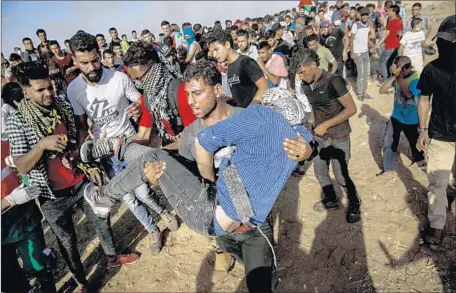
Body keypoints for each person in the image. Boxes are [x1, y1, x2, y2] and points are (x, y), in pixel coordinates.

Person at [81, 60, 313, 293]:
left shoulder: (248, 117)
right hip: (221, 222)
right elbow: (186, 180)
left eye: (198, 93)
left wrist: (305, 151)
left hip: (256, 229)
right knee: (229, 250)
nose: (191, 101)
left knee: (261, 283)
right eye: (188, 94)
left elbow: (293, 142)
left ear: (218, 90)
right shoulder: (191, 135)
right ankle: (226, 256)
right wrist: (156, 177)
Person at [6, 61, 140, 293]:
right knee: (67, 241)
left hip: (79, 180)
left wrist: (77, 154)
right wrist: (41, 146)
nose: (48, 93)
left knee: (101, 218)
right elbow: (22, 166)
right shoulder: (17, 121)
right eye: (40, 90)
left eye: (49, 87)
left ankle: (112, 256)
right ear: (26, 92)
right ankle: (82, 282)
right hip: (51, 195)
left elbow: (77, 134)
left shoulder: (62, 106)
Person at [67, 31, 176, 254]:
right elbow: (80, 126)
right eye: (84, 63)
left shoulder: (119, 78)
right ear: (74, 61)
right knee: (129, 198)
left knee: (143, 192)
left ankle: (163, 212)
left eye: (95, 60)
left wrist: (137, 109)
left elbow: (144, 103)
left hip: (130, 144)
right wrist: (87, 159)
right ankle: (153, 230)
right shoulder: (73, 89)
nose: (91, 67)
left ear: (100, 53)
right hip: (105, 154)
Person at [290, 48, 361, 223]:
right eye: (297, 74)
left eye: (302, 72)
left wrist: (326, 124)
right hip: (320, 138)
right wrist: (310, 123)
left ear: (313, 65)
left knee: (341, 176)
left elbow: (351, 109)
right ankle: (331, 199)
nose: (300, 77)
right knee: (320, 172)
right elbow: (315, 109)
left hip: (339, 137)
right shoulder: (306, 85)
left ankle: (354, 204)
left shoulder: (333, 81)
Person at [1, 84, 57, 293]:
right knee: (10, 282)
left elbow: (22, 163)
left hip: (24, 217)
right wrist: (10, 200)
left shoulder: (3, 143)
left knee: (39, 264)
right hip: (4, 225)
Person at [416, 15, 456, 250]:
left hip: (441, 135)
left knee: (440, 185)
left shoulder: (432, 68)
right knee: (438, 184)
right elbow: (423, 99)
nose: (445, 46)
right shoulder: (431, 70)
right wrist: (422, 129)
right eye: (444, 41)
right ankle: (438, 227)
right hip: (439, 135)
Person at [123, 42, 196, 144]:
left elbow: (195, 138)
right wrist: (121, 146)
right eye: (134, 80)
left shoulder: (181, 92)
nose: (138, 84)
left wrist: (162, 152)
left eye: (139, 79)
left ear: (154, 70)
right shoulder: (149, 96)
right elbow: (143, 135)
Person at [379, 56, 425, 175]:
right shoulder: (398, 77)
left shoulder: (417, 78)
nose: (395, 69)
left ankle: (420, 160)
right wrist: (394, 77)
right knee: (389, 142)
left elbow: (409, 95)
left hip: (412, 120)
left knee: (415, 143)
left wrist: (399, 77)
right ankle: (388, 169)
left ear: (404, 69)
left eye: (397, 67)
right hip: (396, 117)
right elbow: (381, 91)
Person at [208, 29, 268, 108]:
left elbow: (264, 87)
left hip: (255, 114)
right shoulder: (230, 66)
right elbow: (241, 91)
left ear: (227, 45)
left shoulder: (246, 62)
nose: (214, 55)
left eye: (216, 49)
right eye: (212, 51)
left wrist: (250, 109)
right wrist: (229, 98)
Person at [351, 7, 376, 101]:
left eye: (366, 15)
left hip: (365, 52)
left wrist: (373, 47)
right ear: (360, 16)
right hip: (358, 53)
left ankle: (364, 92)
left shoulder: (368, 25)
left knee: (367, 74)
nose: (365, 17)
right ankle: (360, 93)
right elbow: (352, 39)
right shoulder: (356, 25)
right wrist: (352, 53)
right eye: (363, 15)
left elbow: (368, 37)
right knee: (361, 74)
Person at [375, 4, 403, 84]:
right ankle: (391, 80)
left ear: (394, 12)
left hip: (389, 46)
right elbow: (400, 34)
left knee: (382, 62)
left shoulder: (391, 22)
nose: (388, 12)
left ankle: (385, 81)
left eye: (390, 11)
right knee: (390, 63)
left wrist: (378, 44)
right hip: (396, 46)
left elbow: (385, 35)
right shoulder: (399, 21)